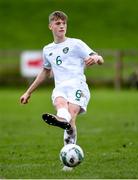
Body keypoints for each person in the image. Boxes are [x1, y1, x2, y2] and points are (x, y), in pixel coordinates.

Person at [20, 11, 104, 171]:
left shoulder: (76, 44)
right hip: (61, 87)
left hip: (78, 85)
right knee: (60, 103)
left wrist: (96, 58)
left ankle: (63, 122)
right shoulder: (47, 50)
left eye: (64, 23)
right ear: (50, 26)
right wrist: (28, 92)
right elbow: (45, 72)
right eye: (58, 23)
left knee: (71, 117)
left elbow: (99, 58)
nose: (62, 26)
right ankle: (63, 124)